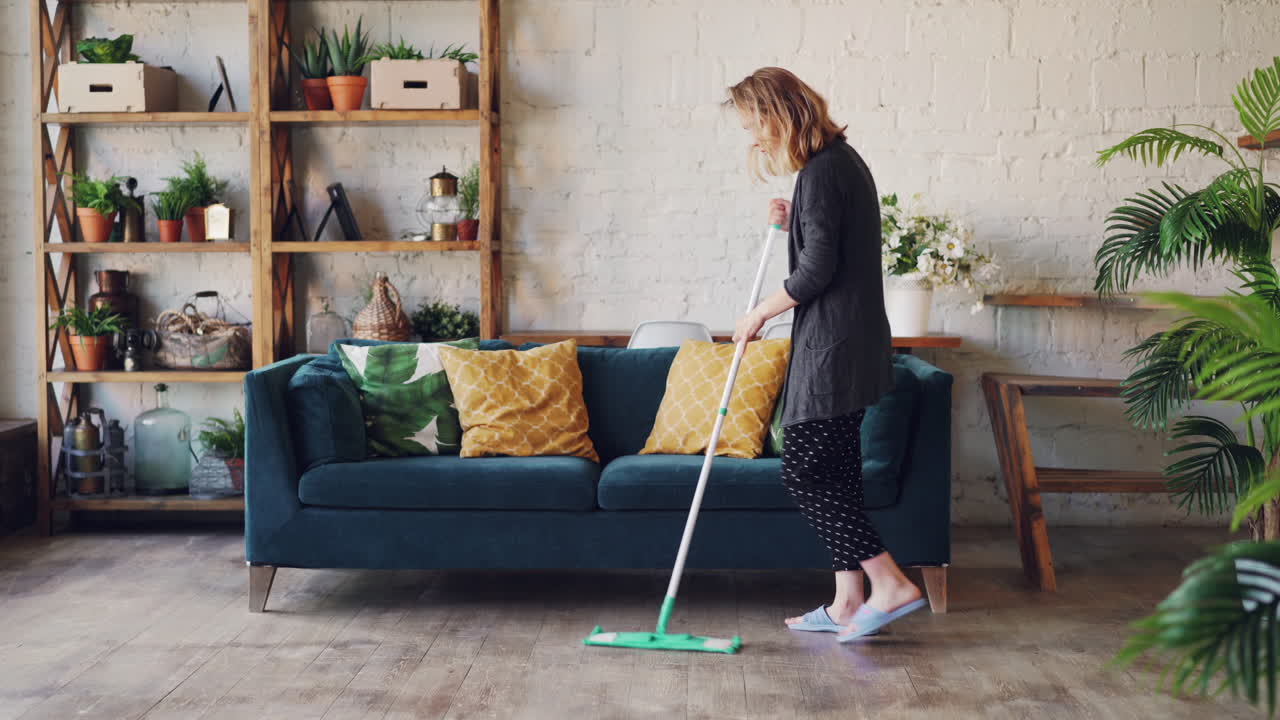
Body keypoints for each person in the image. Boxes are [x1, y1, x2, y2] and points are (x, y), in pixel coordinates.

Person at [727, 67, 926, 641]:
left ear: (779, 113)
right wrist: (796, 225)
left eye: (755, 124)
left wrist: (759, 313)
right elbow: (829, 245)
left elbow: (817, 271)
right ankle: (847, 600)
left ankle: (889, 583)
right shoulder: (841, 163)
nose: (756, 139)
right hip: (850, 340)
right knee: (834, 471)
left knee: (807, 471)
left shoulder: (821, 172)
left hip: (833, 347)